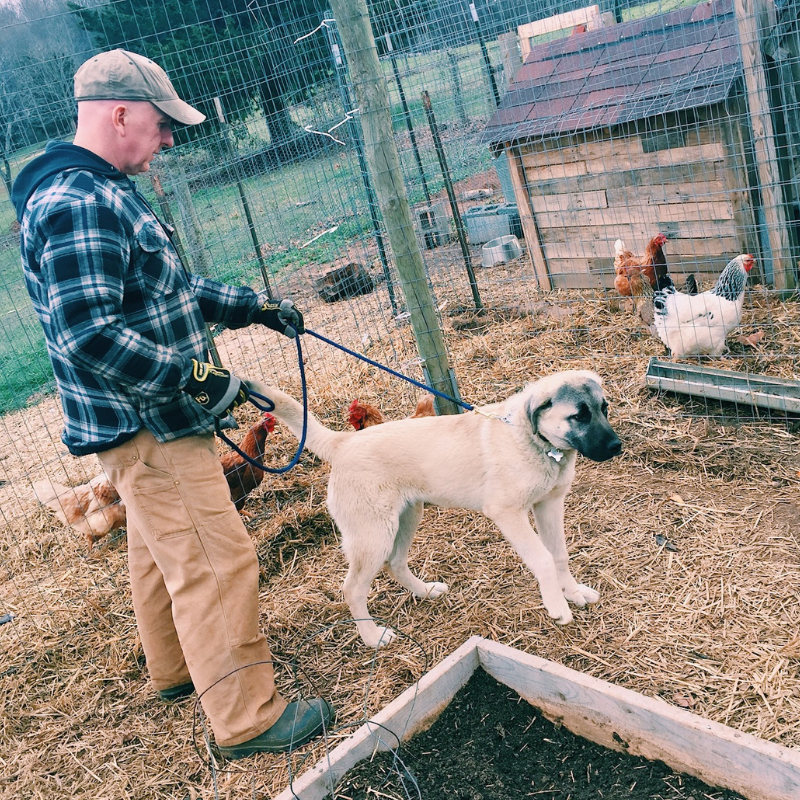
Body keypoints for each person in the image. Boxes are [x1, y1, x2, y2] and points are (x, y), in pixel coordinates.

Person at [11, 49, 334, 759]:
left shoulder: (102, 190)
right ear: (120, 113)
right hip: (151, 424)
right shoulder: (77, 203)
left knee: (161, 551)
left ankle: (178, 670)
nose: (168, 141)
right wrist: (194, 381)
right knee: (217, 562)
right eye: (160, 125)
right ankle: (248, 716)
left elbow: (165, 289)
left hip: (141, 423)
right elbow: (87, 333)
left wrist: (254, 308)